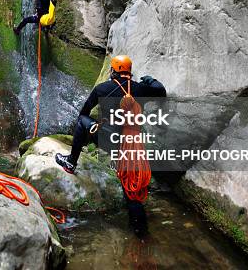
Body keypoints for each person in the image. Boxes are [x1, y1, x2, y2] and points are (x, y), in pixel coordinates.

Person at [55, 54, 166, 236]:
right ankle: (140, 234)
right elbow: (161, 92)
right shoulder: (140, 88)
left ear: (114, 71)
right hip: (132, 143)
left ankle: (70, 162)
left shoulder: (102, 88)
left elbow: (83, 112)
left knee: (83, 121)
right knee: (131, 187)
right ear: (129, 71)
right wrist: (150, 80)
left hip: (110, 141)